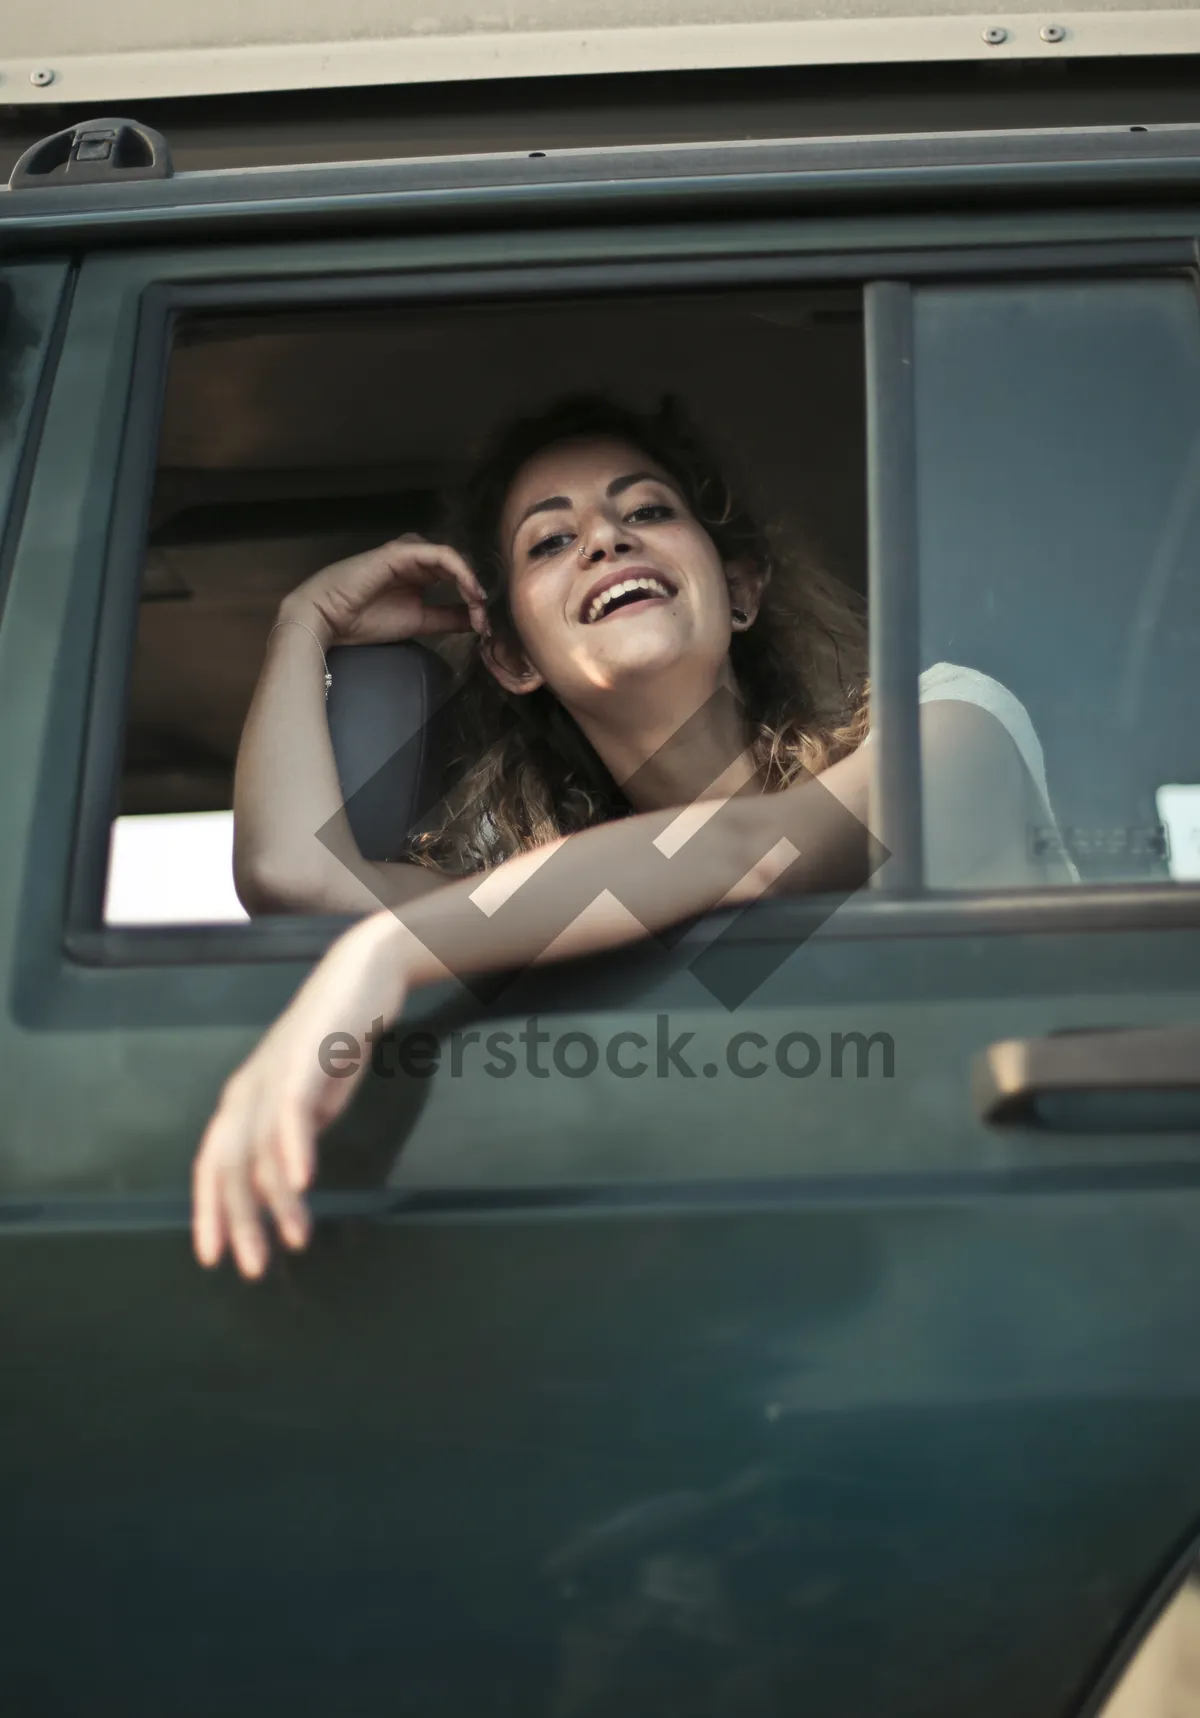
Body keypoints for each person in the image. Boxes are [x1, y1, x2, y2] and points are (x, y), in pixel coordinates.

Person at [194, 394, 1069, 1279]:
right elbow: (295, 876)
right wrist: (301, 623)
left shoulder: (949, 726)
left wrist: (381, 957)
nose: (607, 541)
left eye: (646, 510)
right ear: (512, 658)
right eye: (549, 541)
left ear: (740, 589)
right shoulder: (563, 917)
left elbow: (756, 851)